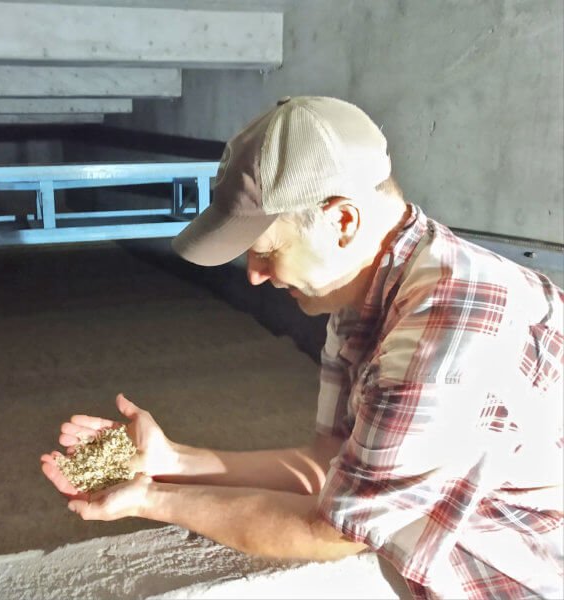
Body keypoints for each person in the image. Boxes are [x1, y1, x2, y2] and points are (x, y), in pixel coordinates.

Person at [41, 96, 563, 599]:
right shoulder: (361, 296)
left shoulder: (440, 342)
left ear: (342, 222)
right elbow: (328, 463)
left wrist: (153, 499)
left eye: (267, 250)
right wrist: (173, 459)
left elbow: (329, 531)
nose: (253, 274)